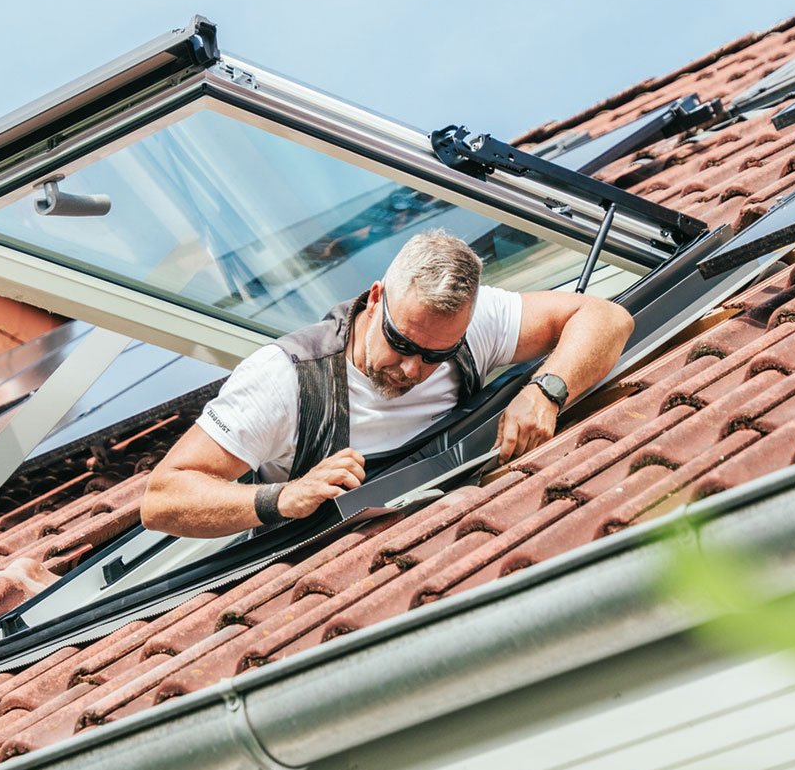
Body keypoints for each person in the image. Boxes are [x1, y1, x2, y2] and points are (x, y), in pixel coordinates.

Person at [141, 230, 632, 539]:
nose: (413, 369)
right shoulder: (286, 380)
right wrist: (284, 497)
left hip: (466, 527)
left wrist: (547, 390)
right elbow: (163, 498)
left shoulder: (470, 322)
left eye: (437, 355)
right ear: (376, 298)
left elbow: (606, 317)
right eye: (402, 343)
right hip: (331, 561)